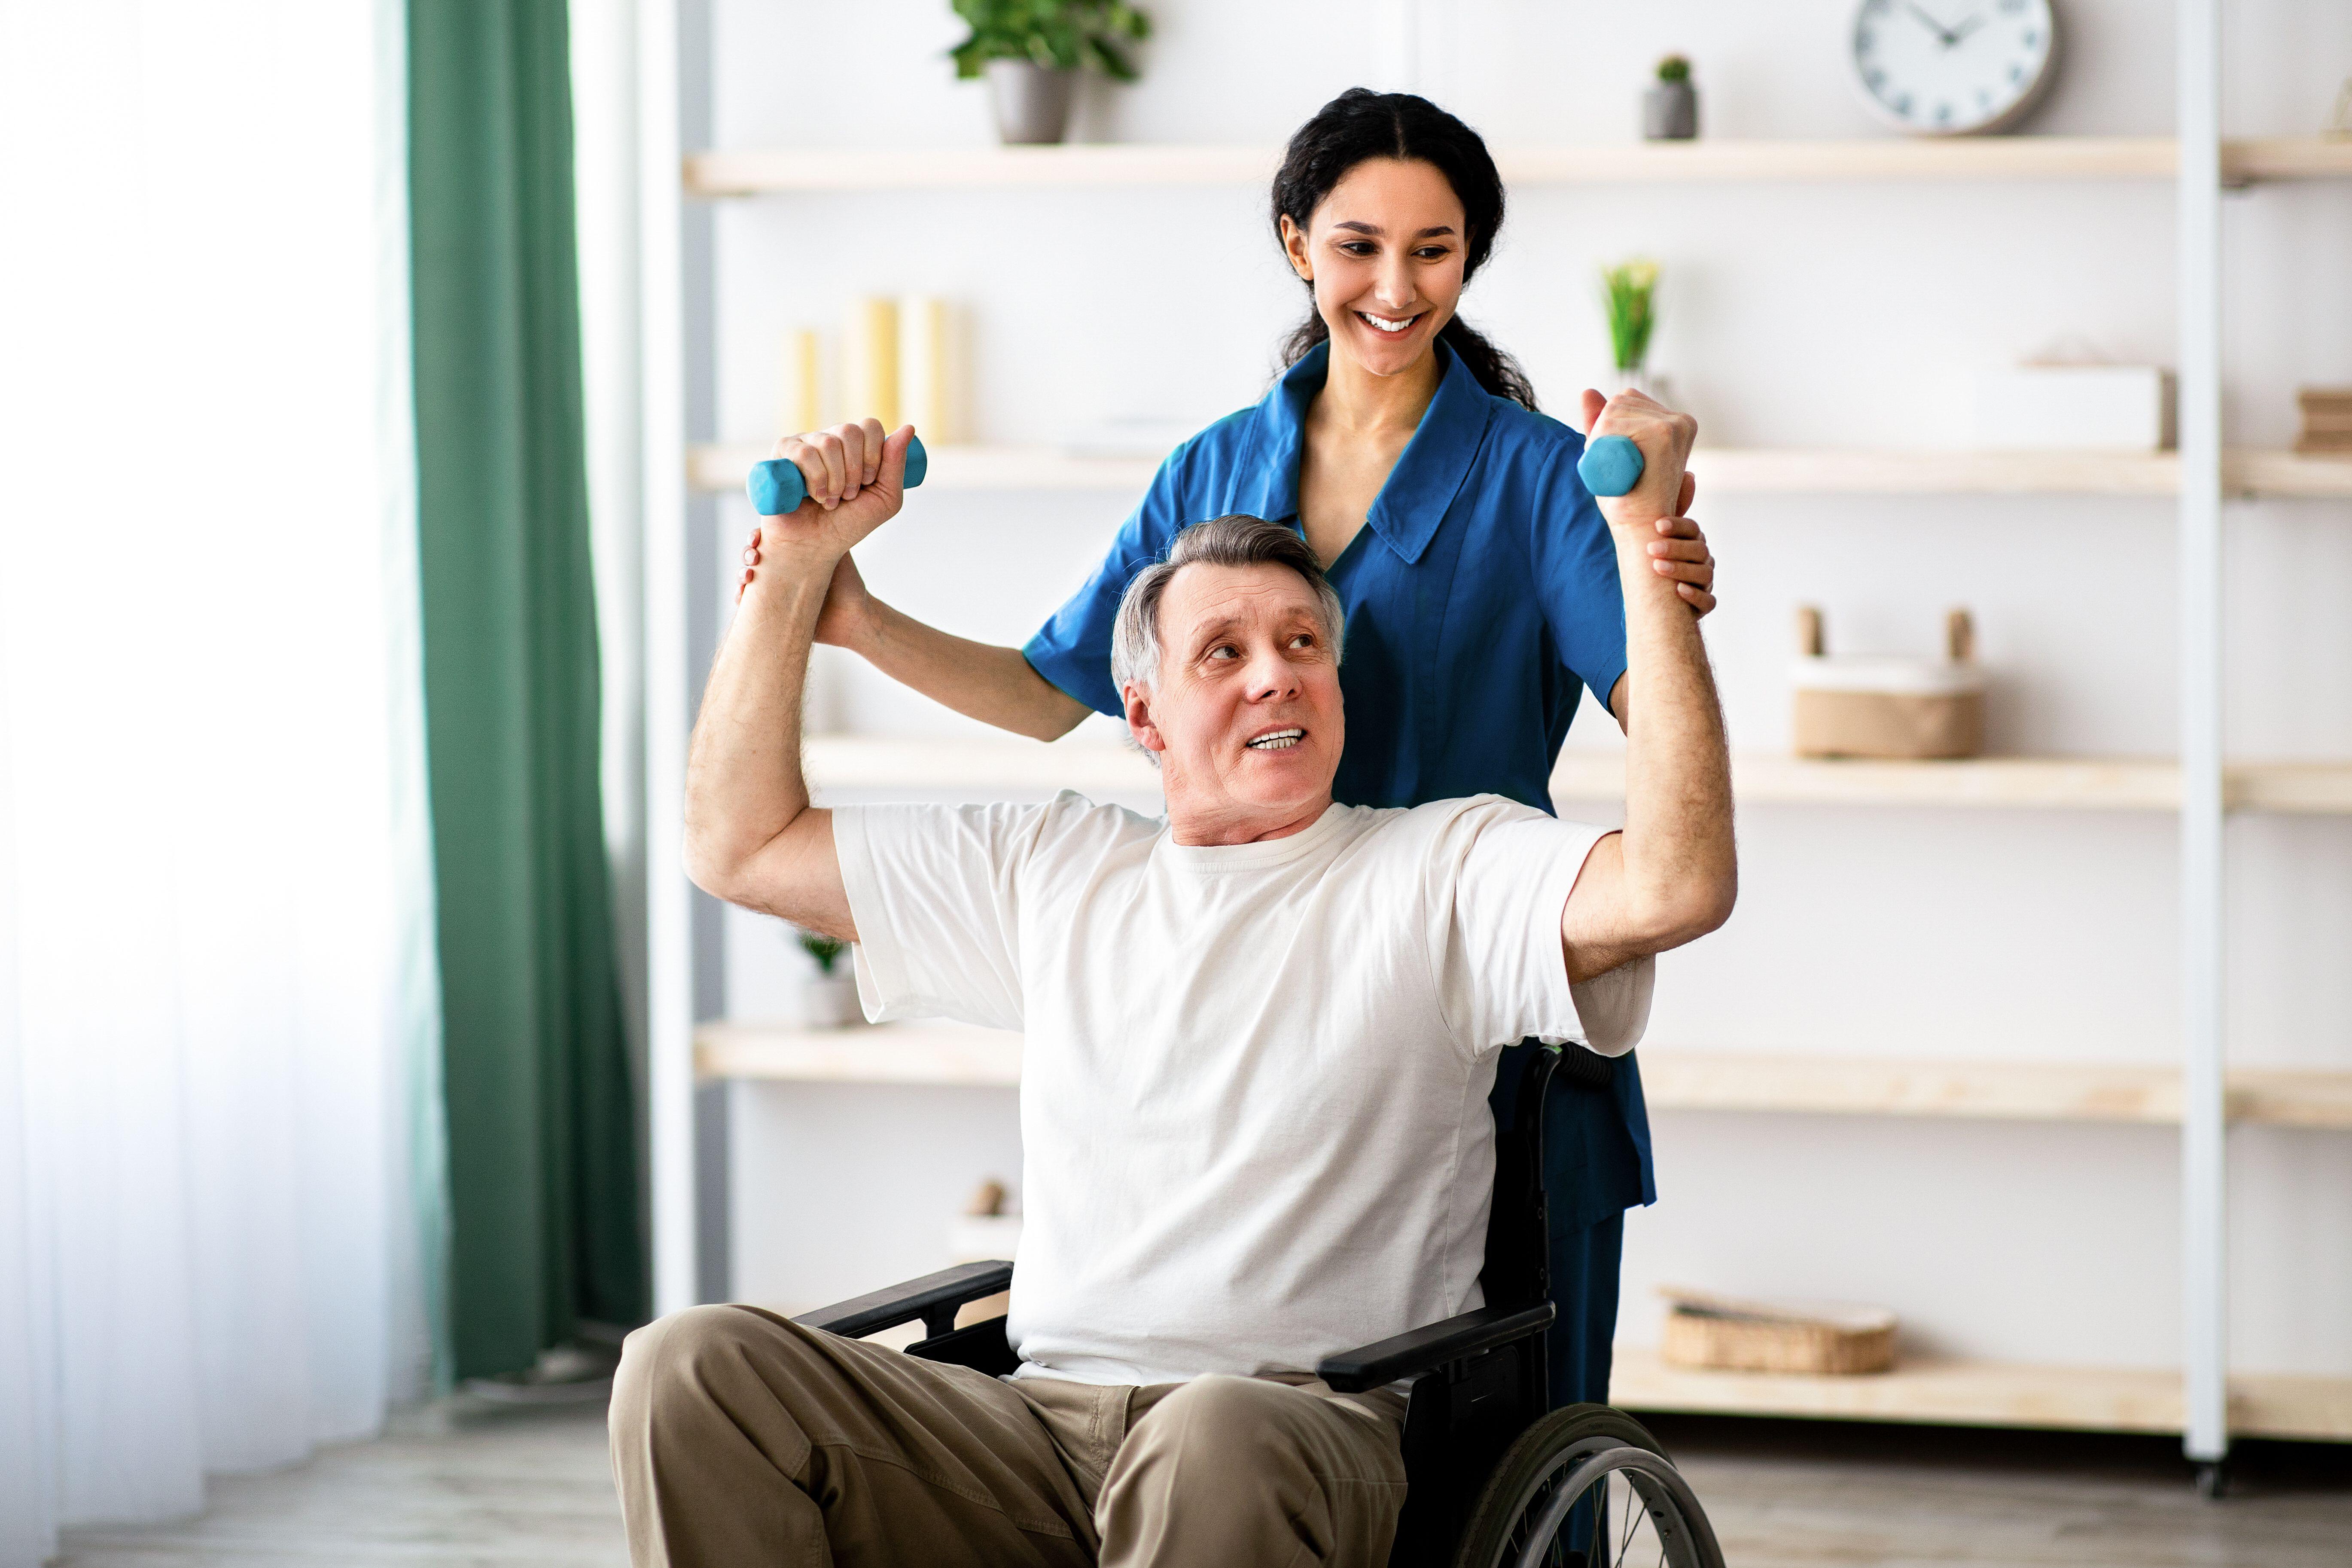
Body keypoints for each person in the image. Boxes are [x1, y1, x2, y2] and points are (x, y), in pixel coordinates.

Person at [620, 394, 1733, 1567]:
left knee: (1208, 1427)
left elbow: (1676, 882)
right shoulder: (1049, 868)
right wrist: (793, 574)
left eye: (1304, 643)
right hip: (1032, 1431)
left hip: (1292, 1425)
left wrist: (1637, 550)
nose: (1275, 676)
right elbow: (737, 847)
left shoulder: (1440, 869)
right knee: (689, 1366)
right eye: (1225, 651)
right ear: (1142, 715)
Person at [742, 88, 1718, 1415]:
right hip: (1249, 1005)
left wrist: (1645, 556)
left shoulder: (1540, 475)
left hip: (1476, 969)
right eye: (1357, 244)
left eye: (1432, 249)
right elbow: (1052, 693)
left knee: (1499, 1458)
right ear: (1293, 241)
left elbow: (1656, 725)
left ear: (1471, 259)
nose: (1392, 284)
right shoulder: (1211, 469)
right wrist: (847, 613)